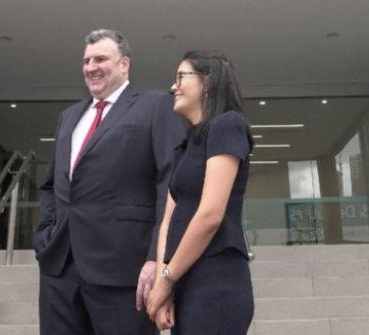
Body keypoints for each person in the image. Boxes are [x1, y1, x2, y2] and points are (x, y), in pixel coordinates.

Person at [35, 29, 185, 335]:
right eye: (86, 60)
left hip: (124, 268)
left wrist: (158, 257)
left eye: (101, 58)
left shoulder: (156, 106)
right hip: (60, 266)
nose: (91, 67)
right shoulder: (69, 116)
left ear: (124, 64)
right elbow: (51, 185)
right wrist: (44, 236)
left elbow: (170, 185)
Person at [145, 50, 254, 334]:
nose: (173, 87)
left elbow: (210, 215)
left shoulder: (228, 125)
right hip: (184, 279)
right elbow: (168, 221)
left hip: (217, 280)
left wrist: (167, 279)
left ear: (207, 81)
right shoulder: (186, 145)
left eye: (181, 77)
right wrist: (164, 284)